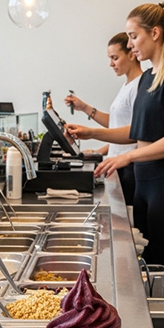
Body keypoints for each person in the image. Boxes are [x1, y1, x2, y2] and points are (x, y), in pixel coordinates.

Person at [65, 1, 164, 296]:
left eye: (133, 36)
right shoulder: (149, 77)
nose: (129, 44)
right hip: (146, 185)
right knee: (149, 268)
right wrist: (92, 132)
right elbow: (138, 132)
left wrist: (128, 157)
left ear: (155, 33)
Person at [63, 32, 142, 205]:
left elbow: (135, 131)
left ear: (131, 54)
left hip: (128, 167)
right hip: (117, 164)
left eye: (115, 57)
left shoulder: (139, 86)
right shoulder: (127, 85)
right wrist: (85, 108)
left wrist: (92, 133)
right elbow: (117, 124)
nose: (111, 64)